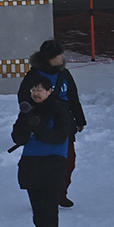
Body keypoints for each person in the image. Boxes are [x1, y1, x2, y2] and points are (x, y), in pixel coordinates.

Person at [12, 72, 72, 227]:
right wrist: (25, 126)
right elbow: (17, 137)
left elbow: (60, 137)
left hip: (53, 162)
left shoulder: (59, 110)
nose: (36, 93)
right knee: (37, 210)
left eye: (39, 90)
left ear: (49, 91)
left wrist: (38, 129)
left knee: (49, 209)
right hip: (31, 163)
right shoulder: (27, 110)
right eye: (33, 89)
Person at [18, 39, 86, 208]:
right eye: (59, 54)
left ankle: (60, 194)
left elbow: (73, 97)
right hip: (42, 123)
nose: (63, 57)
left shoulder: (64, 74)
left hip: (64, 122)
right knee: (43, 162)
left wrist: (80, 120)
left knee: (68, 161)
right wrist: (33, 119)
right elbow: (24, 99)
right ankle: (42, 193)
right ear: (50, 57)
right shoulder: (34, 76)